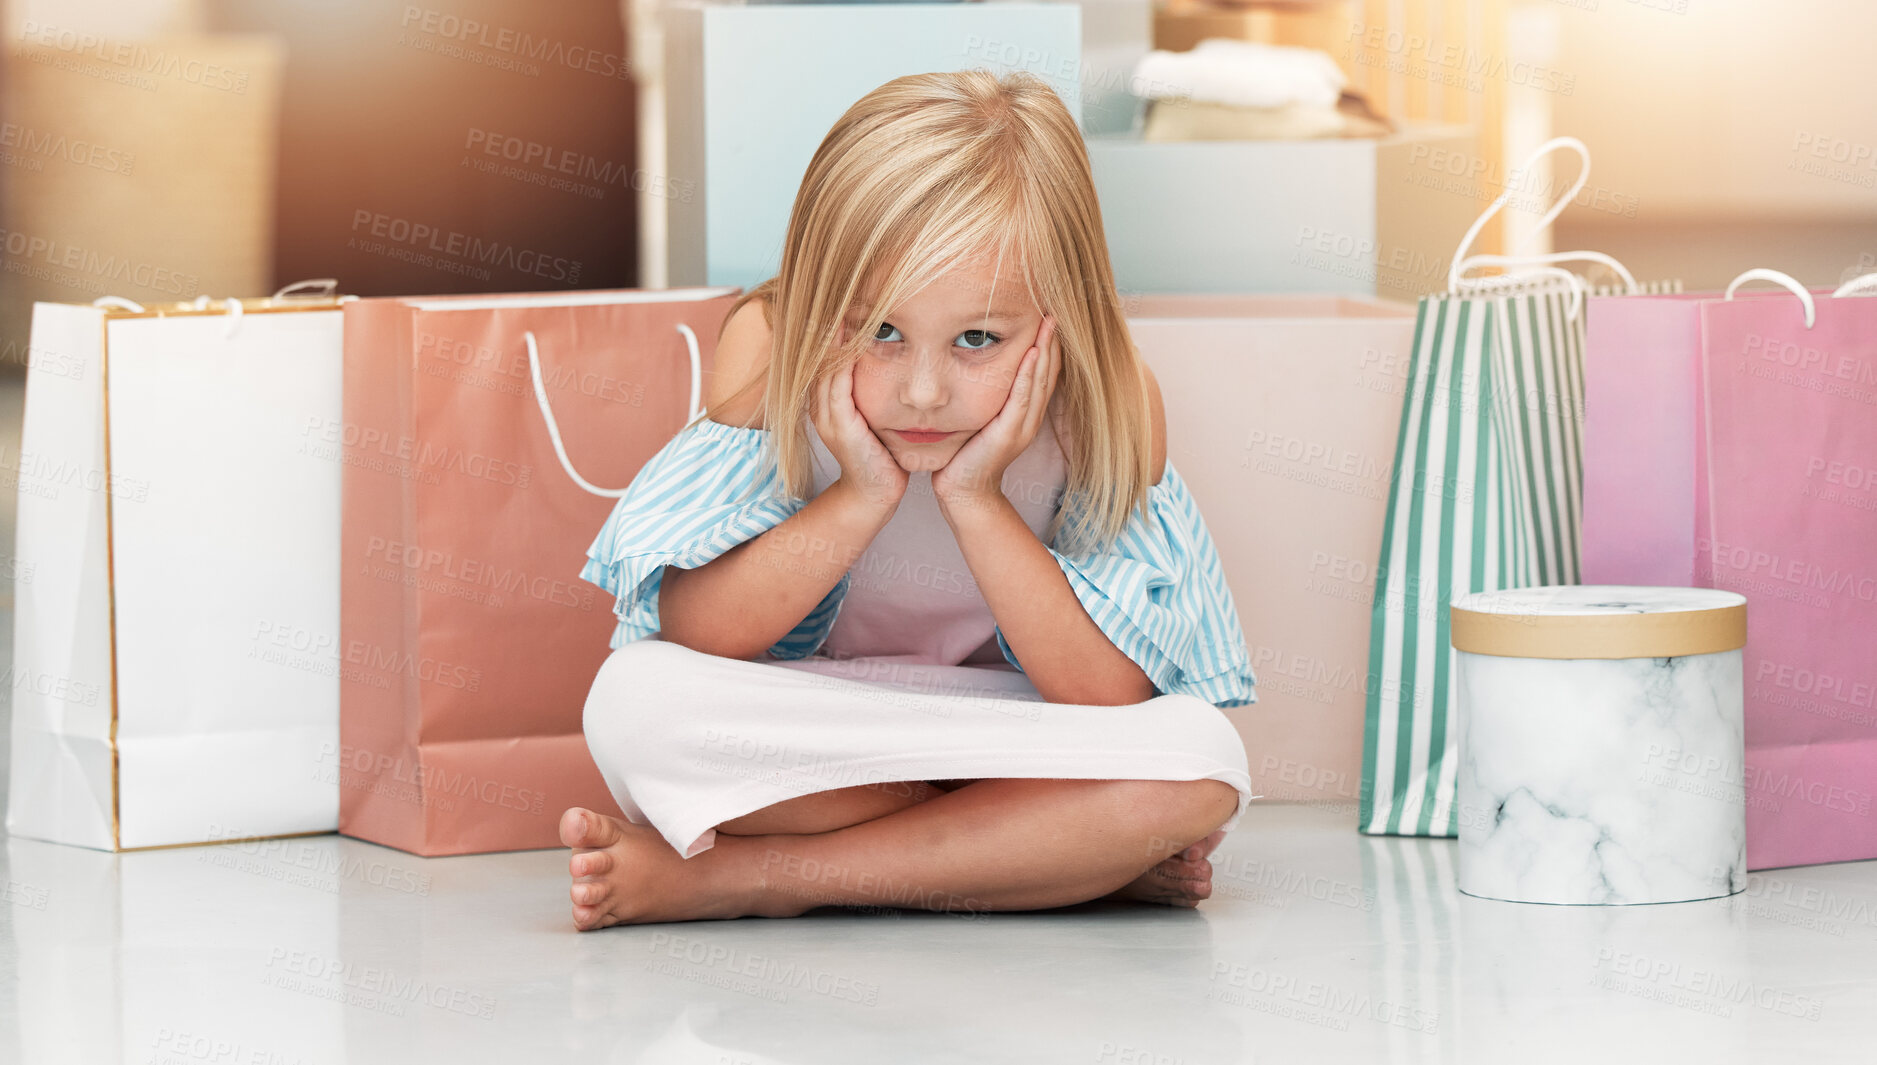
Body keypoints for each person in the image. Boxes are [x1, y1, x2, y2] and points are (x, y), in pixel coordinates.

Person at [559, 68, 1258, 929]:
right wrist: (858, 493)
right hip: (826, 726)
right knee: (634, 702)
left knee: (1202, 759)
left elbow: (1105, 693)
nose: (922, 392)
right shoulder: (773, 348)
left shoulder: (1104, 398)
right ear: (821, 296)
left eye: (976, 339)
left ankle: (754, 877)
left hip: (1007, 733)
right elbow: (697, 627)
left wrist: (978, 497)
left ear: (1061, 316)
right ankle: (1036, 854)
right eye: (880, 331)